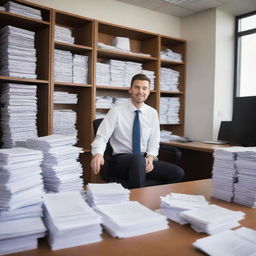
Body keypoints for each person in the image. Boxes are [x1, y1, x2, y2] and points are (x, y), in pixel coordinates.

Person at [91, 73, 184, 188]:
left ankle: (158, 201)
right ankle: (139, 202)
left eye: (144, 88)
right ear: (130, 90)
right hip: (121, 161)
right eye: (137, 87)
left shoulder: (152, 113)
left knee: (177, 173)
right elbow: (101, 137)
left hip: (143, 160)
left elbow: (154, 141)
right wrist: (98, 154)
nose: (141, 91)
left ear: (149, 92)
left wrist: (150, 157)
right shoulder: (116, 112)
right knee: (137, 160)